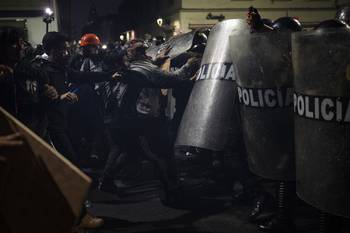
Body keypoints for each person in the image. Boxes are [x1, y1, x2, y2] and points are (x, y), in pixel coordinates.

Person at [98, 39, 200, 195]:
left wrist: (157, 61)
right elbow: (168, 80)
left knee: (126, 150)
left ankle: (105, 180)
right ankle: (171, 187)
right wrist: (189, 66)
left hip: (126, 118)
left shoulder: (129, 69)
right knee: (160, 153)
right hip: (145, 117)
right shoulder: (143, 71)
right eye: (142, 51)